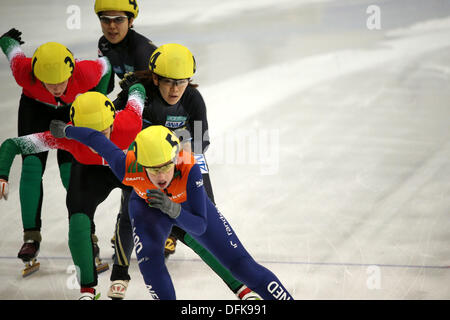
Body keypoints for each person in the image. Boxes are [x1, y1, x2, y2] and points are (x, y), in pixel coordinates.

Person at [54, 123, 294, 300]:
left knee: (242, 266)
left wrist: (174, 209)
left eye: (166, 167)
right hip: (148, 207)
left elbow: (200, 225)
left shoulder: (189, 168)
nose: (161, 176)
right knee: (150, 266)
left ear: (175, 158)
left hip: (187, 208)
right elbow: (96, 139)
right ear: (141, 163)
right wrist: (66, 130)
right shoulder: (125, 164)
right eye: (153, 169)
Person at [108, 43, 259, 300]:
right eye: (168, 82)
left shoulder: (192, 99)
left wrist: (180, 148)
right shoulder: (139, 94)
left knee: (205, 221)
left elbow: (202, 143)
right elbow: (112, 125)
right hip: (144, 163)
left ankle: (239, 286)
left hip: (181, 161)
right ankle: (120, 273)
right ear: (155, 78)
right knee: (128, 210)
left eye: (182, 82)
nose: (176, 89)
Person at [0, 82, 146, 299]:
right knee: (78, 230)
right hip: (89, 174)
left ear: (113, 120)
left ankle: (121, 271)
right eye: (89, 135)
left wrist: (134, 83)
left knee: (137, 215)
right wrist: (2, 173)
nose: (97, 142)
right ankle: (87, 289)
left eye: (103, 132)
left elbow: (138, 91)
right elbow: (12, 144)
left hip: (128, 170)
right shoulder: (66, 136)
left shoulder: (130, 121)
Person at [0, 28, 112, 276]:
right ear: (38, 76)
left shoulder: (85, 72)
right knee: (31, 168)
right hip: (34, 110)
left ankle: (87, 233)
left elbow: (106, 64)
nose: (57, 88)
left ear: (71, 72)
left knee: (71, 172)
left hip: (71, 112)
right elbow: (9, 47)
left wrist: (97, 100)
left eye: (62, 82)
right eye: (50, 83)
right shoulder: (24, 71)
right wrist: (9, 39)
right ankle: (30, 237)